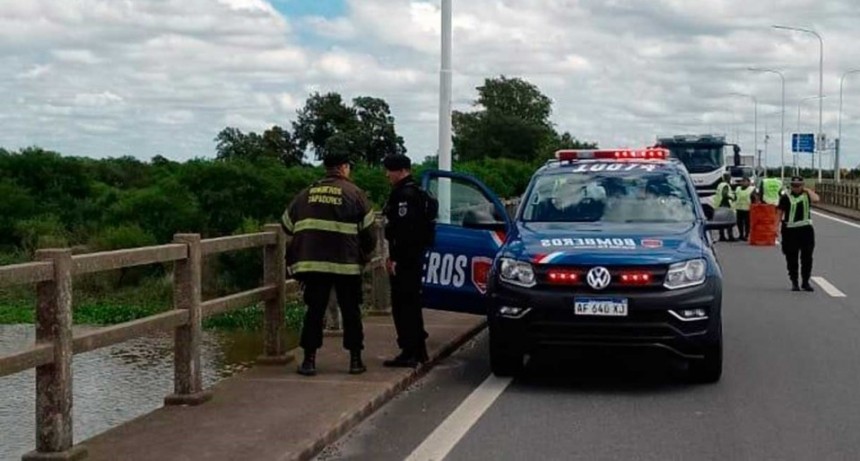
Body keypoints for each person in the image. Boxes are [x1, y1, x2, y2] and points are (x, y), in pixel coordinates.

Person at [281, 151, 378, 376]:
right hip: (347, 265)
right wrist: (363, 255)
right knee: (351, 312)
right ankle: (355, 360)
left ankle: (309, 361)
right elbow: (370, 235)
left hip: (313, 266)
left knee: (314, 311)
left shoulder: (306, 193)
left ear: (327, 168)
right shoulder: (355, 194)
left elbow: (286, 224)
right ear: (344, 168)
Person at [381, 154, 435, 367]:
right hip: (416, 255)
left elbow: (403, 231)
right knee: (411, 302)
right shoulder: (419, 192)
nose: (387, 175)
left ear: (401, 170)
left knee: (403, 304)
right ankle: (418, 350)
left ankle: (409, 350)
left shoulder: (404, 196)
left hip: (406, 258)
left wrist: (394, 258)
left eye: (390, 170)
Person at [777, 176, 820, 292]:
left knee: (807, 257)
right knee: (791, 257)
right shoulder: (785, 197)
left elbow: (816, 199)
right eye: (794, 185)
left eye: (799, 185)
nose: (796, 188)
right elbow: (779, 213)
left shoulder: (807, 195)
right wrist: (775, 228)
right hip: (790, 231)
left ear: (802, 185)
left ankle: (805, 281)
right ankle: (794, 281)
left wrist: (808, 190)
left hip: (806, 230)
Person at [713, 173, 736, 241]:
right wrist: (731, 198)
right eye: (729, 177)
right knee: (729, 220)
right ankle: (730, 236)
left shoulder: (720, 185)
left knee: (721, 221)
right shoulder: (726, 185)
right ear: (728, 178)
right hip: (725, 204)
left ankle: (722, 236)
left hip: (719, 204)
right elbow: (725, 194)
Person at [733, 176, 756, 241]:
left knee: (747, 223)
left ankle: (746, 235)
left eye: (745, 181)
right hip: (739, 208)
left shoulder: (751, 189)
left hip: (748, 209)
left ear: (749, 182)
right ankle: (741, 235)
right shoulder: (738, 188)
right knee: (739, 223)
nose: (743, 183)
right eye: (742, 181)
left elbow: (754, 198)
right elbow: (735, 197)